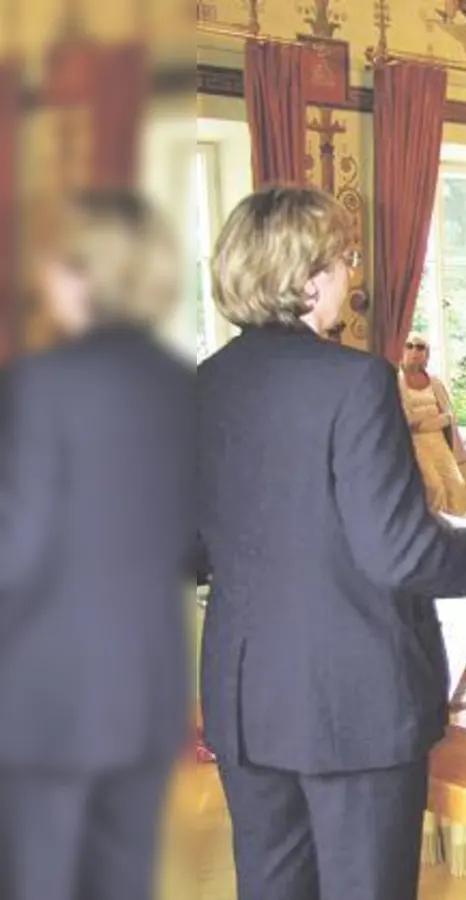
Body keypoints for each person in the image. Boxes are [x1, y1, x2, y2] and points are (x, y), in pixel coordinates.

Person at [197, 187, 466, 900]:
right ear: (308, 277)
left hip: (246, 697)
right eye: (346, 259)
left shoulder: (204, 384)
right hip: (351, 699)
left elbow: (184, 549)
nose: (353, 276)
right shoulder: (354, 380)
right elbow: (399, 552)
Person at [0, 192, 193, 900]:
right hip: (145, 689)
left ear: (84, 271)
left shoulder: (39, 386)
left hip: (46, 698)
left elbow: (13, 550)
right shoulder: (182, 385)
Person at [398, 335, 466, 514]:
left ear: (426, 354)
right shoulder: (396, 382)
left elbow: (448, 417)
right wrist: (432, 418)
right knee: (434, 488)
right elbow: (406, 420)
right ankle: (438, 534)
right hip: (415, 443)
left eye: (420, 347)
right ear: (402, 350)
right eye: (409, 346)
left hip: (438, 440)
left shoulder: (435, 382)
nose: (415, 351)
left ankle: (458, 532)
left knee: (457, 485)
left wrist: (424, 421)